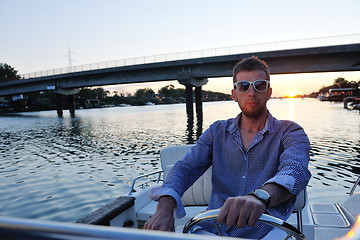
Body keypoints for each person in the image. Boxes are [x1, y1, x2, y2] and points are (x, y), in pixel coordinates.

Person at [144, 56, 311, 239]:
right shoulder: (217, 131)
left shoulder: (290, 131)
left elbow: (295, 169)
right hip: (212, 226)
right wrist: (165, 206)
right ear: (234, 94)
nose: (252, 92)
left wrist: (261, 197)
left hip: (265, 229)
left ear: (269, 92)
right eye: (243, 86)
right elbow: (187, 167)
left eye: (259, 85)